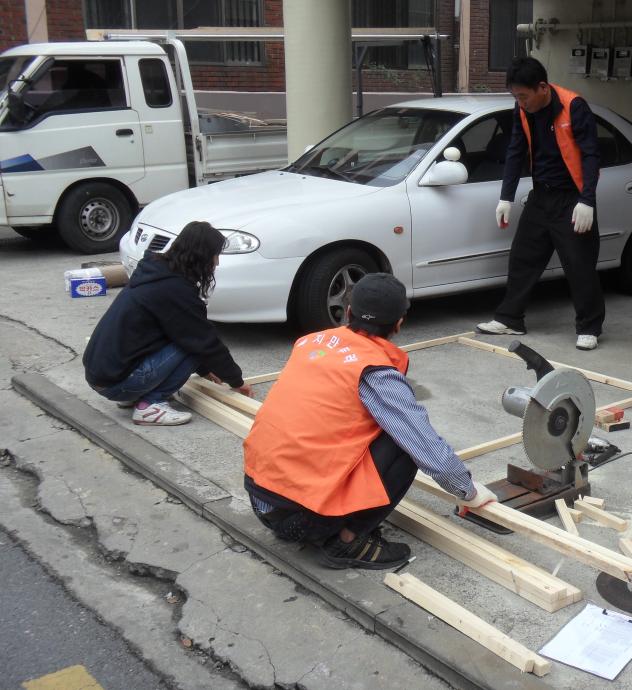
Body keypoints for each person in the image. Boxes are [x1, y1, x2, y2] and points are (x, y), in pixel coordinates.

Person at [243, 273, 497, 570]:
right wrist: (469, 492)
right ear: (400, 322)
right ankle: (346, 541)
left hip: (259, 497)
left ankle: (331, 519)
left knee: (370, 428)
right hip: (300, 519)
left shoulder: (310, 343)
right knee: (404, 443)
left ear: (348, 312)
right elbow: (426, 446)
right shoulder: (373, 369)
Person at [476, 56, 604, 350]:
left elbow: (591, 155)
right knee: (523, 257)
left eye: (523, 96)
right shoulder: (523, 111)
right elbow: (516, 151)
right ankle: (510, 319)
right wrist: (505, 196)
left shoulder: (574, 106)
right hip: (541, 195)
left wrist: (587, 200)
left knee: (579, 264)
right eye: (515, 96)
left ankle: (589, 327)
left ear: (542, 88)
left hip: (572, 197)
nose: (520, 102)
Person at [83, 221, 252, 426]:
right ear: (200, 256)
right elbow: (204, 341)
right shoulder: (174, 290)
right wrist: (236, 381)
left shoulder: (155, 273)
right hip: (118, 382)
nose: (216, 263)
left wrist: (206, 371)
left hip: (103, 375)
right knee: (193, 345)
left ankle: (135, 393)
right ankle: (151, 404)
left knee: (187, 337)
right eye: (214, 255)